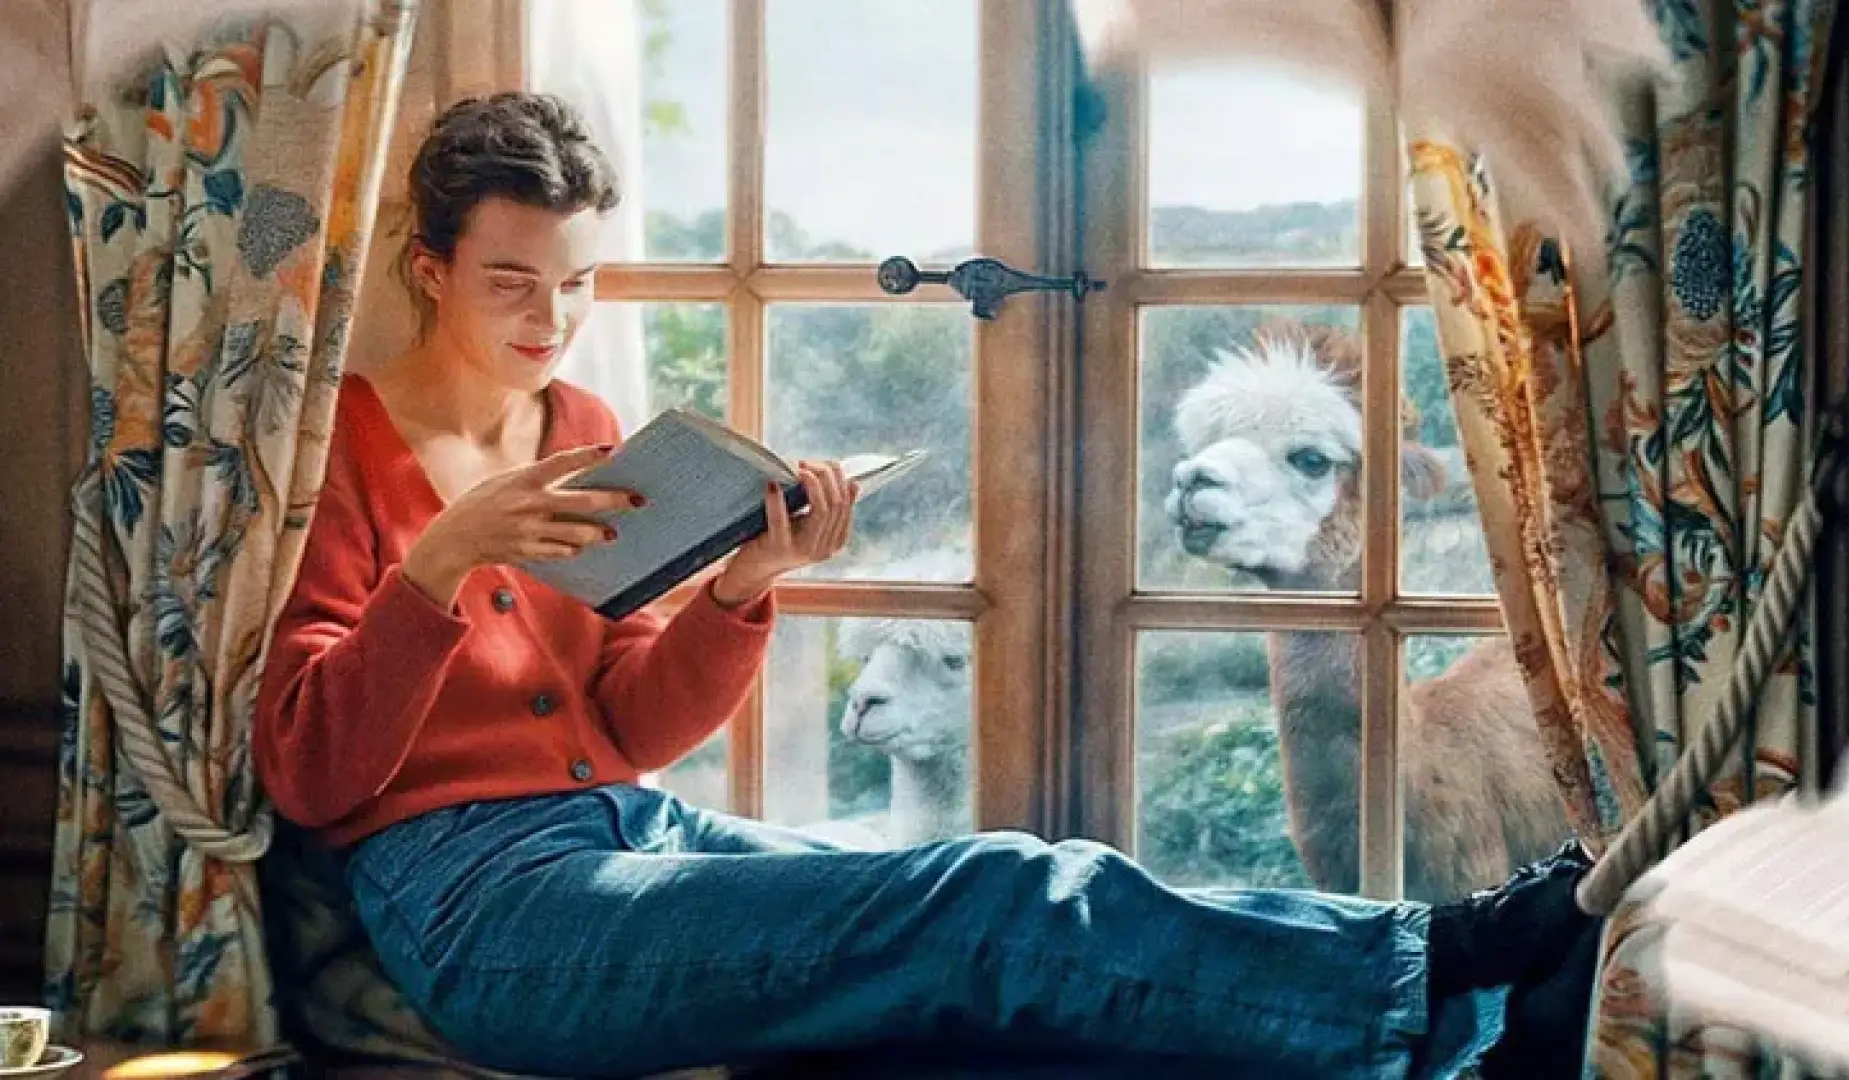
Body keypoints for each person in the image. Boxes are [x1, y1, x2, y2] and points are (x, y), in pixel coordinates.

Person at [254, 91, 1600, 1080]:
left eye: (580, 282)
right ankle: (1455, 959)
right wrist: (442, 559)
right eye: (510, 283)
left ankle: (1458, 1029)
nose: (550, 320)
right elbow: (315, 775)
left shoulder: (585, 423)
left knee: (996, 925)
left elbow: (623, 732)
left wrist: (745, 588)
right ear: (429, 272)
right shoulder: (343, 453)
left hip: (631, 829)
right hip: (478, 908)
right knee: (980, 897)